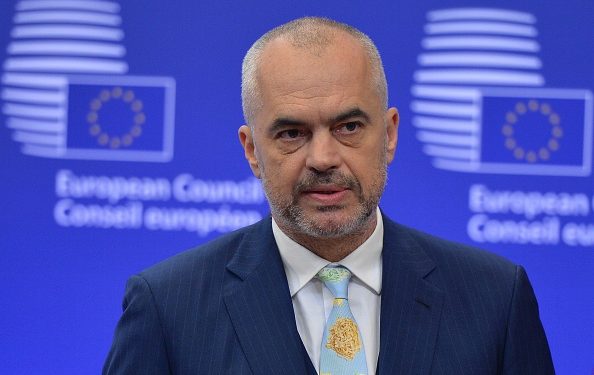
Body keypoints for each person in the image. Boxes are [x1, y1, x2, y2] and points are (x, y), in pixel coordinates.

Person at [103, 17, 554, 374]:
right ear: (252, 151)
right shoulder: (167, 307)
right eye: (292, 133)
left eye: (349, 127)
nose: (323, 158)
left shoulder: (495, 297)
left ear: (391, 134)